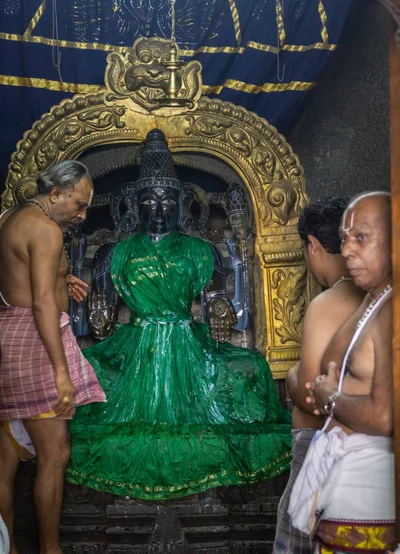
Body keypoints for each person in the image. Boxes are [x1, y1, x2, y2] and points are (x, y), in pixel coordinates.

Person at [66, 129, 292, 500]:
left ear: (181, 204)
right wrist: (100, 313)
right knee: (81, 370)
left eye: (167, 200)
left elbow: (216, 300)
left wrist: (220, 308)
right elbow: (100, 309)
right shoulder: (115, 253)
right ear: (136, 206)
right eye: (149, 202)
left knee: (251, 366)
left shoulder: (201, 251)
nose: (159, 209)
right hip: (134, 346)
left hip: (188, 341)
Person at [0, 161, 106, 554]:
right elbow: (43, 304)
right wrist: (62, 372)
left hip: (8, 334)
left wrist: (62, 277)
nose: (81, 215)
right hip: (35, 342)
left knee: (7, 453)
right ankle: (50, 550)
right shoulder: (46, 231)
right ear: (55, 193)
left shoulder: (9, 217)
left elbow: (16, 276)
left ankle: (6, 547)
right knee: (55, 451)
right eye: (78, 205)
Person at [288, 191, 396, 554]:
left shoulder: (390, 312)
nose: (346, 250)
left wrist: (327, 396)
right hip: (342, 493)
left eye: (360, 238)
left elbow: (383, 416)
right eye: (345, 238)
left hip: (369, 495)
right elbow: (325, 370)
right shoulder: (373, 300)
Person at [273, 197, 364, 554]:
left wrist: (295, 374)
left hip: (318, 441)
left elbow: (310, 397)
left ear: (312, 245)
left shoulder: (328, 303)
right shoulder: (376, 298)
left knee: (298, 533)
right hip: (359, 445)